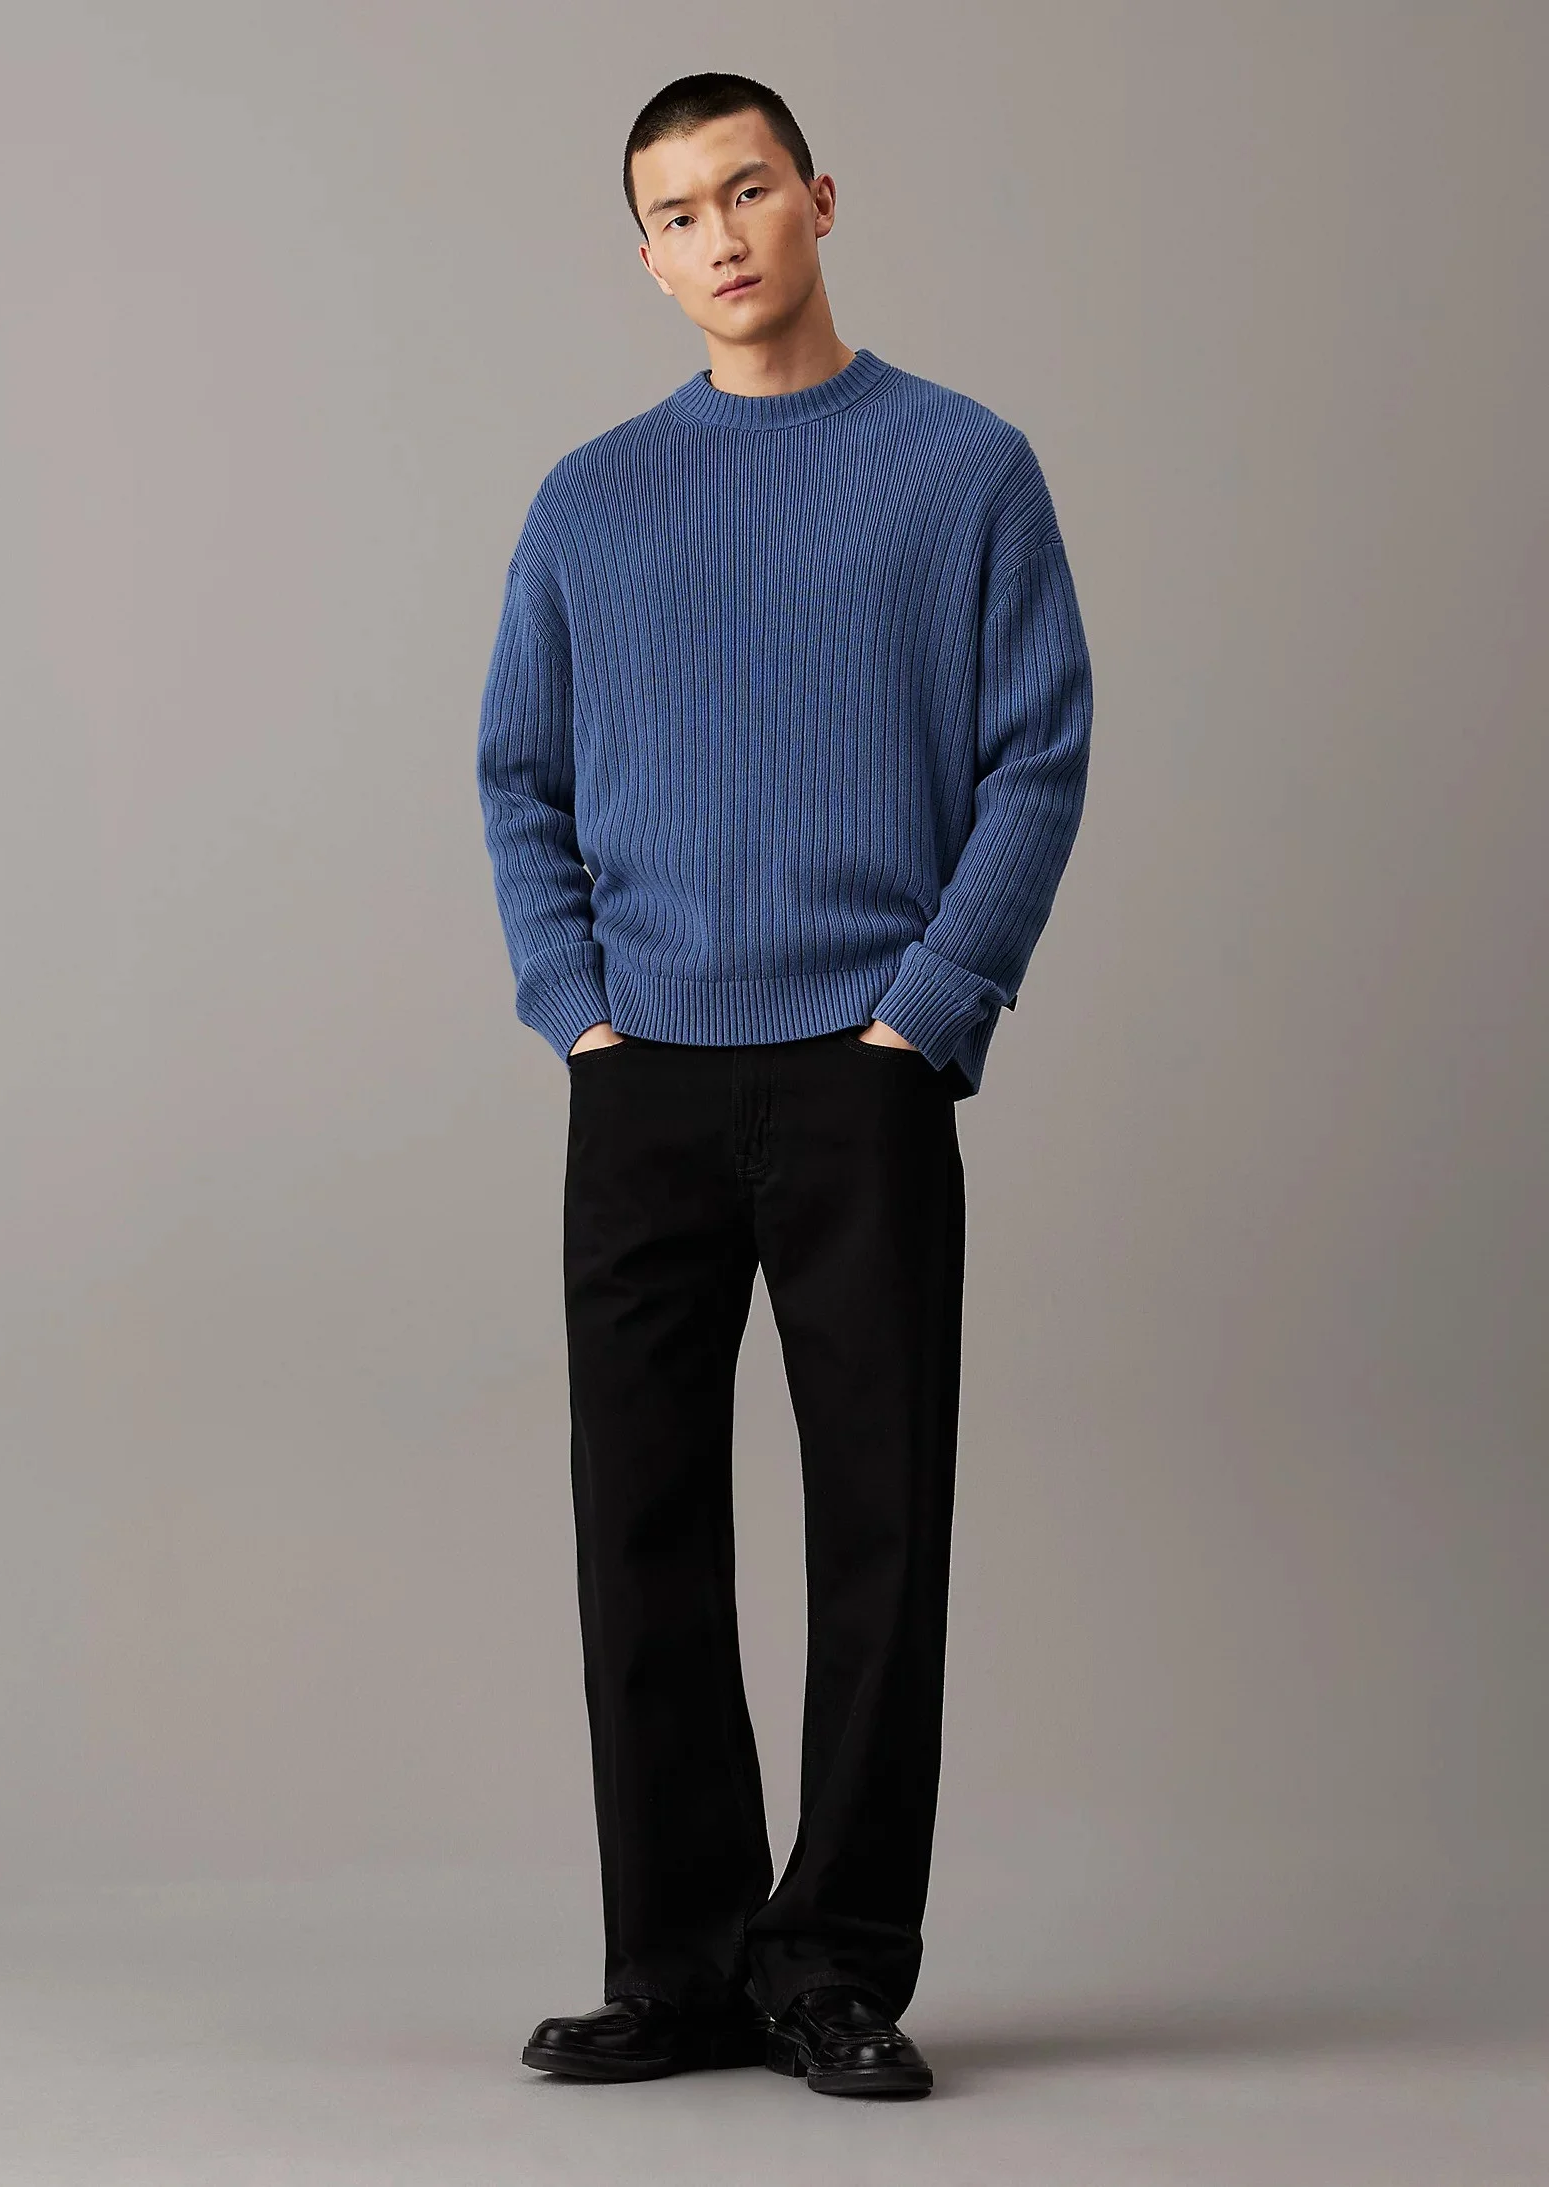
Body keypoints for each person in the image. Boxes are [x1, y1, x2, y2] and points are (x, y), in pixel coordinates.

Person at [475, 69, 1093, 2101]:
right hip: (642, 1075)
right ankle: (673, 1967)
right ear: (644, 258)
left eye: (745, 189)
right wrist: (576, 1008)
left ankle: (830, 1965)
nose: (718, 234)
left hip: (862, 1074)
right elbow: (518, 775)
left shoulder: (961, 469)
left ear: (820, 199)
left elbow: (1037, 752)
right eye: (675, 212)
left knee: (879, 1534)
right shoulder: (589, 501)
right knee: (637, 1527)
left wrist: (927, 1012)